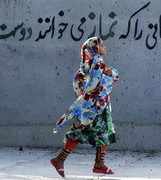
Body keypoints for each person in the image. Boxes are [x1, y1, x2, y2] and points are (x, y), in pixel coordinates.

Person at [50, 37, 119, 177]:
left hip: (99, 105)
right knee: (85, 130)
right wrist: (112, 74)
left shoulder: (91, 63)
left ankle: (98, 163)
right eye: (101, 45)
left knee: (101, 131)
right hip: (95, 107)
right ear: (95, 48)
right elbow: (98, 83)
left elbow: (82, 79)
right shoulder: (97, 64)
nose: (104, 47)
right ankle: (60, 160)